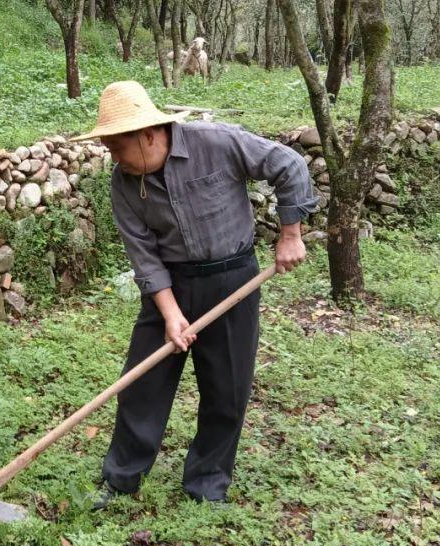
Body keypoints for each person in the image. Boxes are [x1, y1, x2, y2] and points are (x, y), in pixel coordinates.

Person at [72, 80, 317, 507]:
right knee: (142, 382)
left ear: (147, 135)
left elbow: (289, 164)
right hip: (170, 283)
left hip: (233, 279)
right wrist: (169, 313)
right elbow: (144, 255)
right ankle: (122, 478)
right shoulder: (124, 182)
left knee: (227, 386)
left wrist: (291, 234)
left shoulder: (216, 143)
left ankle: (206, 485)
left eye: (116, 148)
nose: (113, 157)